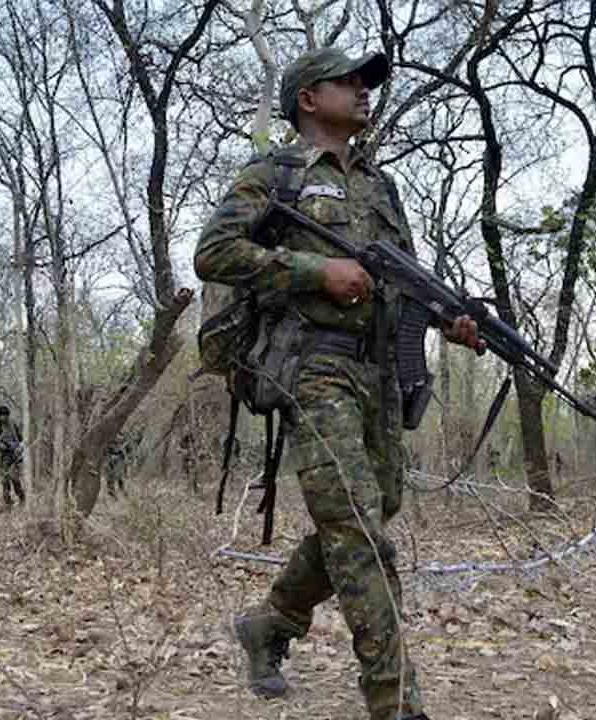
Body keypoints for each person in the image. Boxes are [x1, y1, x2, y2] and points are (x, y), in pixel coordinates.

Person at [194, 47, 484, 719]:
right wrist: (313, 271)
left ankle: (270, 622)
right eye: (346, 81)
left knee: (372, 508)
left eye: (365, 82)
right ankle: (396, 702)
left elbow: (405, 280)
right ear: (307, 99)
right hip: (314, 366)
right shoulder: (276, 174)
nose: (362, 90)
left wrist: (450, 319)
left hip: (379, 371)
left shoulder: (381, 187)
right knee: (357, 529)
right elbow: (214, 252)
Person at [0, 405, 26, 509]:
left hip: (15, 456)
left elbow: (21, 440)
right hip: (4, 457)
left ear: (8, 416)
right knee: (4, 480)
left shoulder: (13, 424)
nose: (2, 418)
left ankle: (22, 498)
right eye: (1, 415)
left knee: (15, 479)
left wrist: (19, 448)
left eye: (4, 415)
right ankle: (8, 503)